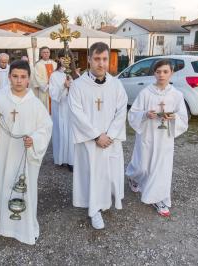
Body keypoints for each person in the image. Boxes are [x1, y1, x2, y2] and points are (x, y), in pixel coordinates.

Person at [0, 60, 52, 245]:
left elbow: (46, 127)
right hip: (5, 156)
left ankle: (26, 229)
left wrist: (34, 139)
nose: (19, 81)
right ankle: (7, 227)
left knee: (26, 191)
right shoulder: (0, 99)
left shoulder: (35, 103)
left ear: (29, 79)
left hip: (26, 157)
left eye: (23, 77)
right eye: (15, 76)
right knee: (5, 188)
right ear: (9, 77)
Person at [68, 42, 128, 230]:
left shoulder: (116, 85)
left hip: (110, 140)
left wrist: (109, 135)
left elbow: (121, 112)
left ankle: (106, 201)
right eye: (97, 59)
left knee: (109, 173)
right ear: (89, 59)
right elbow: (76, 113)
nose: (101, 64)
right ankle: (94, 209)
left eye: (104, 59)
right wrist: (96, 136)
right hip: (90, 142)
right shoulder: (78, 86)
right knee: (91, 174)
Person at [126, 59, 188, 217]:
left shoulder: (176, 95)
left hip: (165, 138)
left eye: (165, 71)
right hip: (147, 134)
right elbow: (133, 113)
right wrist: (145, 114)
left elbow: (183, 117)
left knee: (162, 168)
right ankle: (134, 177)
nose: (161, 75)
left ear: (171, 73)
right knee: (142, 166)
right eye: (158, 71)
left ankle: (159, 198)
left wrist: (173, 117)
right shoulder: (146, 93)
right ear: (154, 73)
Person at [49, 50, 78, 171]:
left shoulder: (76, 75)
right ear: (59, 59)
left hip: (71, 109)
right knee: (61, 133)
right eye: (63, 58)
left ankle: (71, 160)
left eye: (68, 58)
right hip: (60, 108)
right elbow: (53, 94)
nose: (65, 60)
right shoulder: (54, 75)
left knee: (71, 134)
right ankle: (60, 159)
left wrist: (73, 86)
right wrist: (63, 87)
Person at [33, 46, 57, 112]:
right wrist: (47, 85)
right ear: (41, 54)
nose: (46, 54)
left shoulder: (54, 64)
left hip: (54, 90)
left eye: (47, 52)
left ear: (49, 53)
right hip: (44, 91)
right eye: (44, 52)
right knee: (45, 109)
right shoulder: (38, 65)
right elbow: (37, 77)